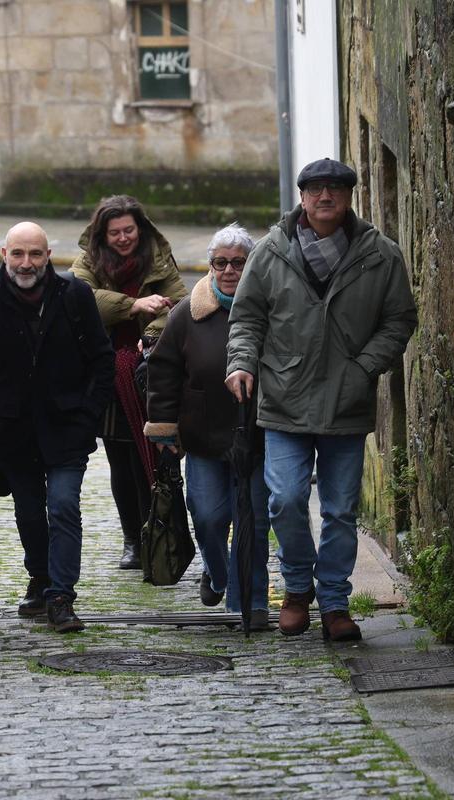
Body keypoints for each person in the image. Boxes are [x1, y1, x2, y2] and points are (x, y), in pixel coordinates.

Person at [225, 158, 417, 642]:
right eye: (315, 189)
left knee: (340, 509)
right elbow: (246, 318)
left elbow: (399, 320)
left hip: (345, 402)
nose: (325, 196)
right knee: (286, 499)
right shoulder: (271, 252)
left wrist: (362, 367)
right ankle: (295, 589)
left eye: (334, 188)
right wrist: (241, 363)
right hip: (284, 399)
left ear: (349, 195)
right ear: (303, 197)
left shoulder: (379, 255)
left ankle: (333, 601)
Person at [0, 222, 114, 632]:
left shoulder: (74, 295)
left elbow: (102, 360)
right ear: (4, 255)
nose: (26, 263)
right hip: (13, 430)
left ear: (49, 256)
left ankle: (61, 595)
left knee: (63, 506)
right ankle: (40, 575)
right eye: (18, 254)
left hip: (68, 425)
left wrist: (89, 416)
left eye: (34, 254)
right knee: (29, 512)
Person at [145, 224, 271, 628]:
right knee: (208, 517)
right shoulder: (188, 312)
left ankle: (248, 603)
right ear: (211, 266)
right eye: (221, 262)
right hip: (203, 436)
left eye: (239, 262)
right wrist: (165, 429)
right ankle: (217, 575)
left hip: (259, 436)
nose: (230, 270)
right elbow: (163, 372)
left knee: (253, 520)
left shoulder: (269, 307)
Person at [70, 195, 187, 570]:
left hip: (151, 372)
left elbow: (179, 305)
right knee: (120, 459)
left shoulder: (158, 256)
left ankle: (162, 533)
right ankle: (132, 540)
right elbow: (80, 299)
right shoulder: (88, 260)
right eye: (115, 232)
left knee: (151, 457)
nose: (123, 238)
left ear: (140, 228)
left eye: (129, 230)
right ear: (103, 233)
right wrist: (133, 305)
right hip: (105, 372)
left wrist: (151, 335)